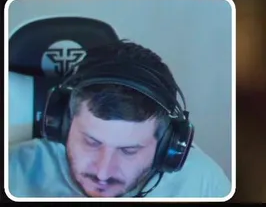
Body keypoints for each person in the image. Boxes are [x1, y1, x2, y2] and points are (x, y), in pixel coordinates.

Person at [6, 40, 231, 199]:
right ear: (62, 124)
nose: (103, 172)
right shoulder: (15, 173)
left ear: (166, 148)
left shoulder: (202, 185)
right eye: (91, 142)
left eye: (128, 151)